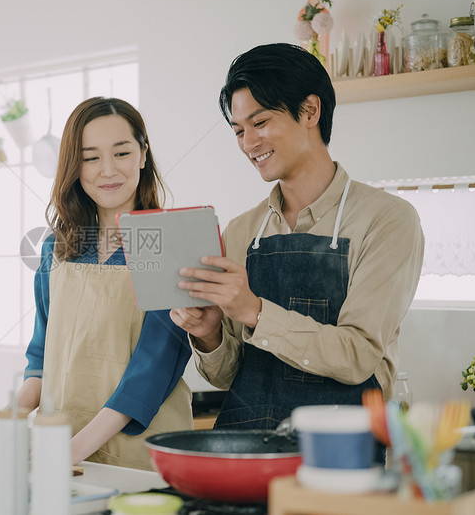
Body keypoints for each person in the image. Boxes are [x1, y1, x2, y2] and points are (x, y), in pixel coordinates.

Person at [171, 43, 424, 429]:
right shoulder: (242, 231)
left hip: (339, 452)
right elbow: (228, 377)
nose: (248, 143)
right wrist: (208, 335)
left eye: (260, 123)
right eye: (239, 131)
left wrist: (254, 311)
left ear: (310, 110)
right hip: (245, 450)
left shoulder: (386, 220)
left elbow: (357, 355)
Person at [0, 97, 193, 470]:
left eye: (121, 153)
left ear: (143, 154)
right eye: (90, 158)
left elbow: (152, 369)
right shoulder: (55, 248)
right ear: (75, 166)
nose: (108, 170)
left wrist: (72, 451)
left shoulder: (170, 244)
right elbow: (42, 356)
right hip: (57, 443)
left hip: (136, 453)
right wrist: (10, 415)